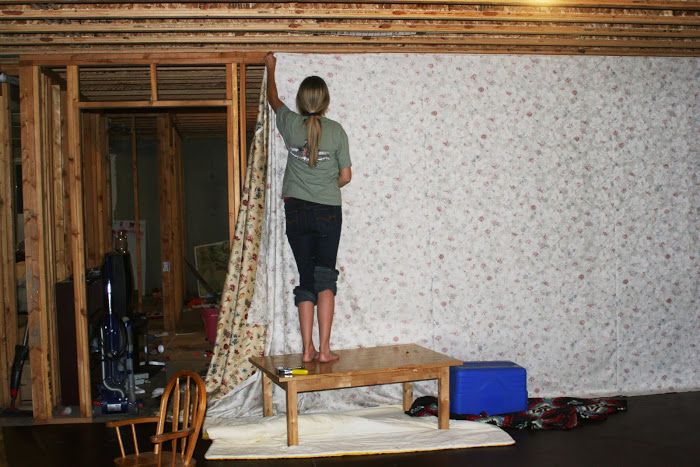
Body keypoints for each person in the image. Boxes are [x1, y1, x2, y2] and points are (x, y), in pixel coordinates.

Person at [264, 53, 352, 363]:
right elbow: (346, 177)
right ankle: (325, 351)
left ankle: (306, 350)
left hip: (297, 210)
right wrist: (327, 188)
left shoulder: (289, 123)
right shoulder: (337, 131)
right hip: (328, 211)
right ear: (326, 103)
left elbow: (273, 98)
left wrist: (271, 67)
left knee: (306, 278)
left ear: (301, 102)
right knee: (325, 278)